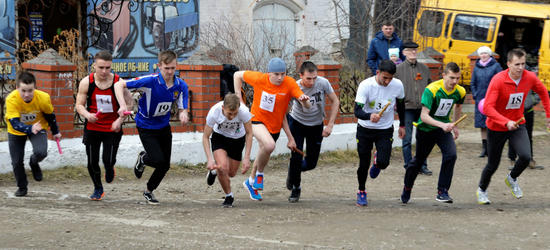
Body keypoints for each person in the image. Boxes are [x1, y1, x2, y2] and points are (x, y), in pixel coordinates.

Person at [114, 50, 189, 205]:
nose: (169, 72)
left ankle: (148, 191)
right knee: (156, 159)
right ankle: (143, 158)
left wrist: (183, 113)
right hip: (146, 126)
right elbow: (119, 84)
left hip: (163, 127)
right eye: (166, 68)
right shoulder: (150, 81)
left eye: (173, 68)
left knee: (165, 165)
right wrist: (122, 104)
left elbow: (183, 105)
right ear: (159, 66)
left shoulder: (180, 85)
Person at [477, 49, 550, 205]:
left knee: (525, 156)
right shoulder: (498, 80)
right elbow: (488, 108)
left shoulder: (529, 77)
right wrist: (505, 122)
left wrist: (548, 115)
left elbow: (544, 92)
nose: (521, 67)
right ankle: (482, 189)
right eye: (517, 64)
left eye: (523, 64)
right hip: (497, 127)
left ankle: (512, 178)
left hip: (518, 123)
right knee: (493, 165)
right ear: (508, 64)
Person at [233, 58, 311, 201]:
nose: (280, 77)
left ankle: (250, 182)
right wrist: (239, 99)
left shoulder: (289, 83)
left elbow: (306, 106)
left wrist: (305, 100)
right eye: (276, 74)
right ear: (268, 73)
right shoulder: (260, 78)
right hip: (256, 120)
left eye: (283, 73)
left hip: (274, 126)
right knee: (269, 145)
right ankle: (260, 175)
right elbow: (237, 75)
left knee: (264, 151)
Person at [400, 62, 466, 204]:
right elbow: (424, 116)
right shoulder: (432, 90)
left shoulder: (460, 91)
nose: (454, 82)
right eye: (451, 78)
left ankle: (442, 191)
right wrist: (442, 124)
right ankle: (407, 187)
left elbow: (458, 105)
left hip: (443, 130)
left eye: (457, 78)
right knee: (418, 160)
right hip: (426, 129)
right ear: (444, 76)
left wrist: (455, 125)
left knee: (451, 155)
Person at [75, 50, 133, 201]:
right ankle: (98, 188)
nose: (104, 71)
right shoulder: (87, 82)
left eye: (108, 67)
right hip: (92, 127)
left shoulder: (118, 83)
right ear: (94, 65)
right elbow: (79, 105)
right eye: (101, 67)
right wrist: (88, 115)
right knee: (92, 161)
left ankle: (109, 167)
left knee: (107, 159)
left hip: (112, 128)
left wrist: (119, 121)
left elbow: (129, 103)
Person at [285, 61, 340, 202]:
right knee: (296, 158)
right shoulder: (294, 87)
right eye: (308, 78)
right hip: (297, 122)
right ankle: (296, 187)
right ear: (301, 75)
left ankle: (293, 171)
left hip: (316, 125)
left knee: (311, 163)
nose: (312, 81)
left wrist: (330, 125)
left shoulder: (323, 83)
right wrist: (289, 136)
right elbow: (284, 111)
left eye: (314, 78)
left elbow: (335, 101)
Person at [354, 60, 405, 206]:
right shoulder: (366, 85)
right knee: (363, 164)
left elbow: (401, 106)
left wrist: (402, 125)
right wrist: (369, 116)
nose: (388, 81)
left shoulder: (398, 85)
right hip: (365, 129)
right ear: (377, 73)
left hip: (384, 129)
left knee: (383, 162)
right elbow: (357, 111)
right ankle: (361, 191)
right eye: (384, 77)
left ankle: (377, 162)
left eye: (390, 78)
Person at [6, 72, 62, 196]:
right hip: (17, 131)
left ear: (35, 87)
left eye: (30, 90)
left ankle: (33, 163)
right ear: (17, 88)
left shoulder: (43, 97)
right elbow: (15, 124)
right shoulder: (11, 99)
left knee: (41, 152)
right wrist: (30, 128)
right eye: (23, 91)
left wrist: (55, 131)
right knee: (16, 161)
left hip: (38, 126)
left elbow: (50, 115)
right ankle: (22, 186)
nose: (27, 94)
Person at [203, 93, 253, 208]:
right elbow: (205, 136)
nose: (232, 117)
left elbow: (249, 133)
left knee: (231, 173)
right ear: (223, 108)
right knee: (222, 167)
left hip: (237, 139)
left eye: (235, 114)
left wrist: (247, 158)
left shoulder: (244, 111)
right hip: (220, 137)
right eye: (229, 114)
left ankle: (213, 172)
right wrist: (209, 159)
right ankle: (229, 196)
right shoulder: (214, 112)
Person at [394, 41, 433, 176]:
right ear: (404, 52)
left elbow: (430, 89)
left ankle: (423, 165)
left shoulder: (424, 69)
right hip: (407, 108)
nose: (413, 52)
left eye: (415, 50)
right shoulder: (398, 70)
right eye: (410, 50)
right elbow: (394, 90)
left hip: (423, 109)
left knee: (423, 139)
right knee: (407, 139)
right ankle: (409, 165)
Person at [470, 46, 502, 158]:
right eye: (481, 53)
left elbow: (501, 81)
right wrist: (475, 94)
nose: (483, 55)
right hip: (480, 100)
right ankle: (485, 149)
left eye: (485, 53)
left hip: (492, 100)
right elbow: (473, 82)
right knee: (482, 124)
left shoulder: (496, 66)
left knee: (492, 123)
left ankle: (492, 147)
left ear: (489, 54)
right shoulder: (477, 67)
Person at [507, 90, 544, 170]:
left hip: (528, 111)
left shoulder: (530, 78)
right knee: (513, 135)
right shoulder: (513, 79)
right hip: (515, 112)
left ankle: (530, 160)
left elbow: (538, 91)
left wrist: (532, 101)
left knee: (528, 136)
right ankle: (512, 160)